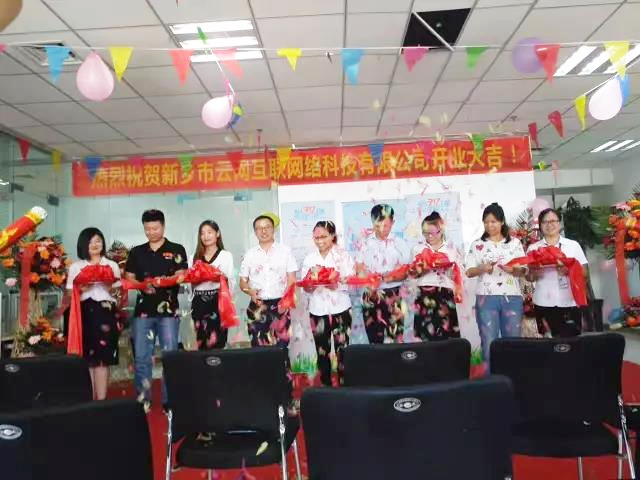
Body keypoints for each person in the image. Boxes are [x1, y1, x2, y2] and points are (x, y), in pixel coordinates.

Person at [124, 209, 187, 411]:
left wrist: (164, 282)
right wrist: (142, 285)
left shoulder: (176, 249)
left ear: (163, 226)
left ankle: (170, 400)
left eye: (155, 228)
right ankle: (144, 399)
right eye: (147, 229)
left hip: (169, 312)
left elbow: (182, 275)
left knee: (170, 356)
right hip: (143, 312)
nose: (151, 232)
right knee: (142, 357)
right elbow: (129, 278)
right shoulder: (137, 252)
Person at [65, 227, 121, 400]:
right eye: (90, 242)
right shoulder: (76, 267)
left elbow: (119, 295)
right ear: (83, 245)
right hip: (84, 313)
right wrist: (82, 288)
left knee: (103, 359)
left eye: (98, 241)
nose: (95, 245)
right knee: (87, 359)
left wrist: (109, 286)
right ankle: (90, 400)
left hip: (106, 313)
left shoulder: (112, 265)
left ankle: (101, 401)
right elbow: (69, 294)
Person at [466, 203, 526, 363]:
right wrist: (482, 268)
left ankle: (512, 375)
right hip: (486, 299)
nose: (489, 225)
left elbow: (524, 270)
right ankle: (490, 377)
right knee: (488, 342)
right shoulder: (477, 245)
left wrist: (513, 270)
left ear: (502, 222)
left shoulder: (515, 243)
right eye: (486, 222)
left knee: (513, 342)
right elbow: (469, 272)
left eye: (493, 221)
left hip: (512, 298)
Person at [301, 221, 354, 386]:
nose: (319, 241)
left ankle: (345, 385)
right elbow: (305, 287)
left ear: (332, 236)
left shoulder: (343, 256)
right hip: (317, 310)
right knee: (321, 351)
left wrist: (336, 285)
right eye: (316, 238)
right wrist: (309, 286)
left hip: (341, 309)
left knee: (342, 350)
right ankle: (325, 386)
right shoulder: (310, 259)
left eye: (323, 237)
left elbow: (351, 282)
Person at [527, 208, 588, 337]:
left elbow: (584, 273)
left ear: (559, 224)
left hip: (569, 302)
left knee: (571, 342)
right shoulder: (534, 248)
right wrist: (535, 274)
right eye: (545, 222)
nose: (549, 225)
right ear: (540, 226)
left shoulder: (573, 246)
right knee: (547, 344)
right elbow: (529, 277)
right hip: (543, 302)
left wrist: (569, 270)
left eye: (553, 221)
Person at [239, 213, 297, 348]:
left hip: (280, 305)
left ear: (273, 229)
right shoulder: (249, 254)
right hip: (257, 305)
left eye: (267, 227)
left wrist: (286, 301)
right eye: (259, 228)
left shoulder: (285, 252)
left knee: (281, 347)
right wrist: (250, 292)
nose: (263, 231)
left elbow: (292, 280)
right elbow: (242, 282)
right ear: (255, 232)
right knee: (258, 348)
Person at [355, 204, 411, 344]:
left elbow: (406, 272)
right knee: (374, 340)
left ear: (392, 222)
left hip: (394, 293)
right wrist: (369, 285)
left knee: (396, 338)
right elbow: (359, 269)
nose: (381, 229)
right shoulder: (365, 243)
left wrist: (384, 278)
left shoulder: (400, 243)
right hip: (370, 295)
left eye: (385, 225)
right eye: (377, 225)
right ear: (372, 222)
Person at [410, 212, 463, 341]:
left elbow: (459, 274)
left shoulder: (451, 248)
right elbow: (412, 274)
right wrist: (424, 268)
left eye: (433, 233)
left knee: (447, 335)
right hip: (424, 293)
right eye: (426, 233)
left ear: (441, 230)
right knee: (424, 335)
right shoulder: (418, 248)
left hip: (445, 292)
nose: (429, 236)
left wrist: (448, 268)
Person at [191, 220, 234, 350]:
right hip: (199, 302)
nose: (206, 236)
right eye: (202, 233)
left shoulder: (226, 255)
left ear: (217, 234)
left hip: (218, 301)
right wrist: (197, 279)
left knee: (219, 341)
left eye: (209, 232)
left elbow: (231, 280)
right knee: (201, 341)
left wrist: (219, 277)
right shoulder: (194, 257)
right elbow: (190, 283)